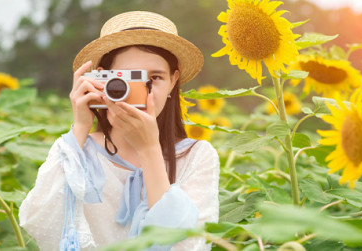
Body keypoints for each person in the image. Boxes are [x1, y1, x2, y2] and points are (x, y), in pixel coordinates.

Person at [18, 11, 220, 250]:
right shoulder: (76, 151)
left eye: (154, 78)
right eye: (128, 79)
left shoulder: (196, 156)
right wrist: (80, 127)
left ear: (173, 81)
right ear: (102, 78)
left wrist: (150, 149)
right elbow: (38, 221)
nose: (143, 92)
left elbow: (189, 244)